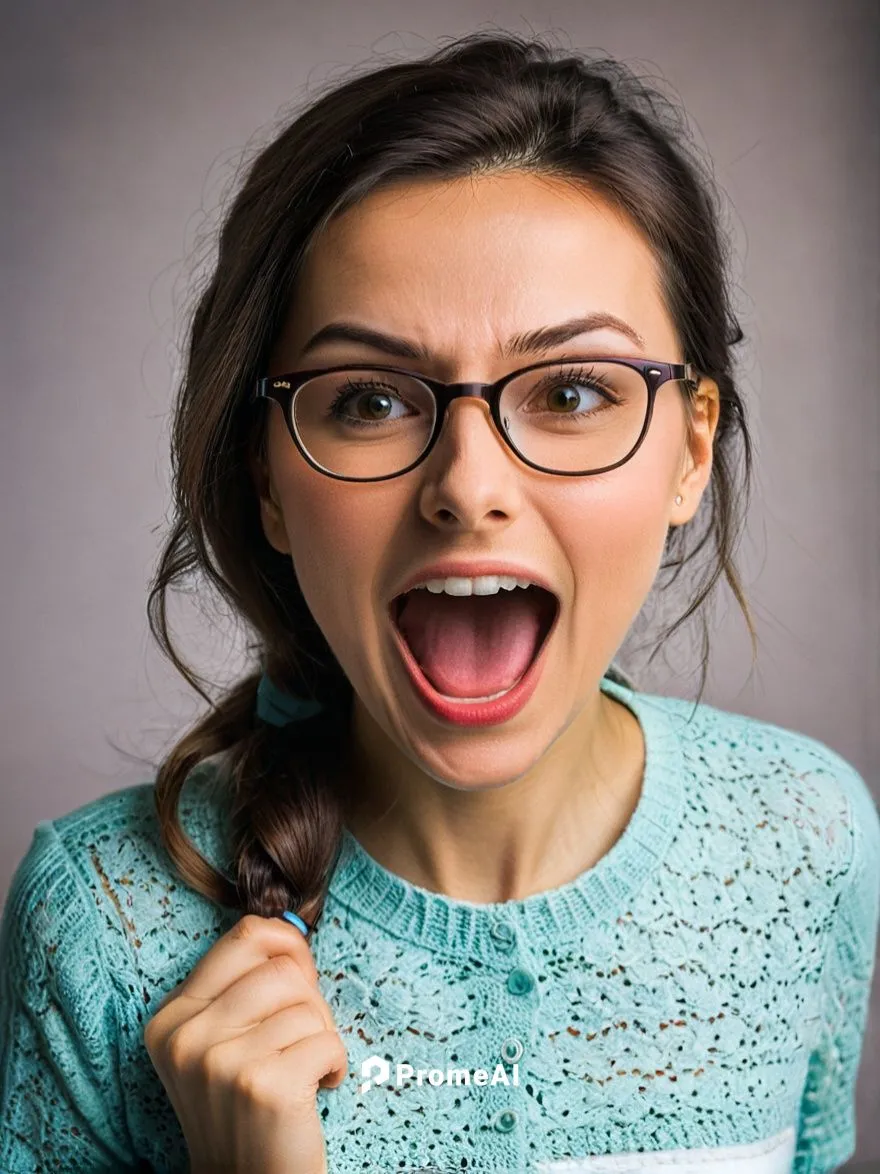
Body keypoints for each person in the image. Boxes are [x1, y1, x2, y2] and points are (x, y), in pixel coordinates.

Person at [1, 29, 877, 1174]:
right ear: (267, 476)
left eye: (571, 390)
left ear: (689, 451)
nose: (467, 488)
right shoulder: (102, 922)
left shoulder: (807, 839)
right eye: (368, 400)